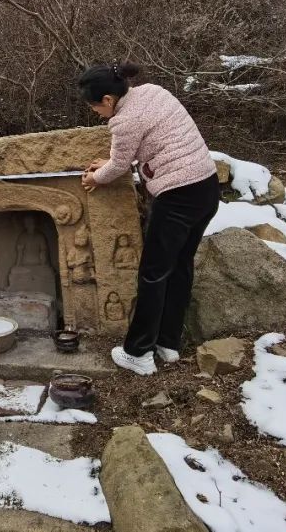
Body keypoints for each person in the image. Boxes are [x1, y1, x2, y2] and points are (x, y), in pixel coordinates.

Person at [78, 63, 220, 376]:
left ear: (108, 100)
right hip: (207, 188)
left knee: (153, 273)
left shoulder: (123, 120)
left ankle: (138, 352)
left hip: (178, 196)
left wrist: (95, 178)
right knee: (179, 265)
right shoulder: (153, 92)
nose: (95, 113)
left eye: (94, 107)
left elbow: (119, 166)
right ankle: (168, 342)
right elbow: (135, 149)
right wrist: (112, 162)